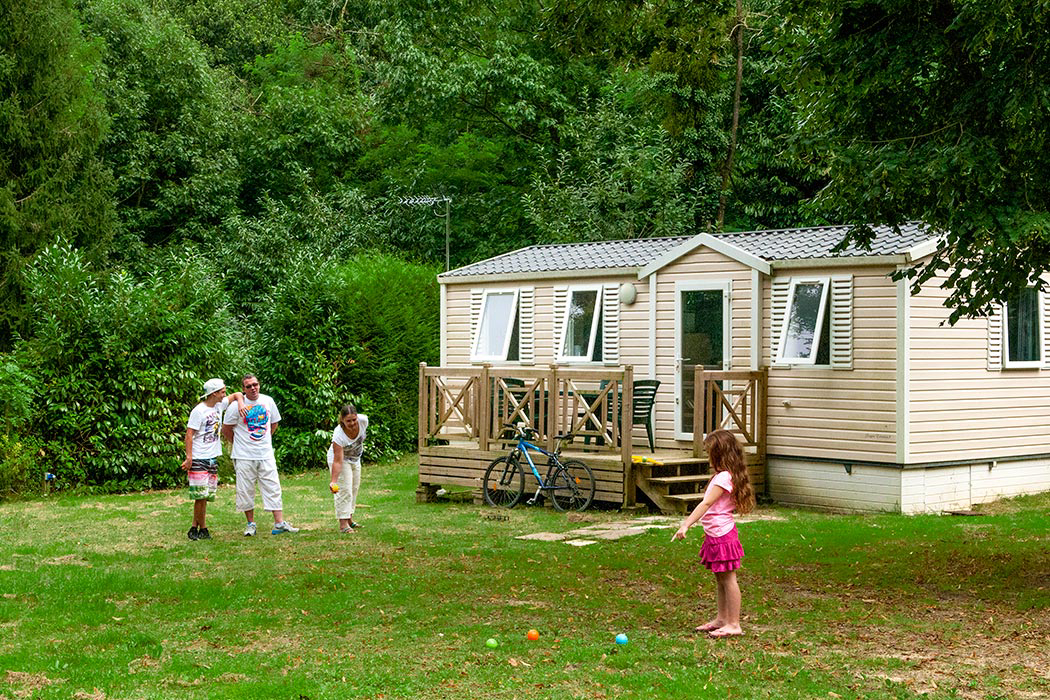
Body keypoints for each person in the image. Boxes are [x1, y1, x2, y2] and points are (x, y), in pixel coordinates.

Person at [671, 429, 755, 638]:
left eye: (709, 451)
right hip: (716, 535)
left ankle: (734, 624)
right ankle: (722, 619)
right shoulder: (725, 475)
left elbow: (706, 504)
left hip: (722, 535)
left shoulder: (723, 478)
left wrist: (686, 524)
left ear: (718, 454)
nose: (708, 456)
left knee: (729, 579)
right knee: (721, 579)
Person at [221, 374, 299, 536]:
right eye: (248, 386)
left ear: (259, 385)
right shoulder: (235, 406)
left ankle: (279, 523)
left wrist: (265, 439)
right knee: (245, 489)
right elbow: (226, 429)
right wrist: (240, 443)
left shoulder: (268, 401)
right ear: (243, 389)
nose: (253, 388)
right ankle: (250, 524)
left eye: (255, 384)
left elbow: (274, 423)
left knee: (273, 487)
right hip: (243, 455)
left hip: (265, 453)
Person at [181, 378, 246, 541]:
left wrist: (240, 404)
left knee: (205, 496)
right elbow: (189, 434)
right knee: (200, 496)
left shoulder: (219, 405)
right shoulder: (198, 411)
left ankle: (198, 528)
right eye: (222, 392)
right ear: (214, 393)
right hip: (199, 457)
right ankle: (198, 528)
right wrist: (189, 457)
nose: (224, 394)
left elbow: (237, 394)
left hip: (211, 457)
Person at [327, 404, 369, 533]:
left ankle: (349, 519)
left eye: (354, 420)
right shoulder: (338, 435)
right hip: (341, 460)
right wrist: (333, 481)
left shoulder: (363, 420)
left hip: (355, 459)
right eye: (348, 421)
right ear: (342, 420)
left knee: (354, 488)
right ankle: (343, 524)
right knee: (345, 490)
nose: (352, 423)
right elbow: (337, 461)